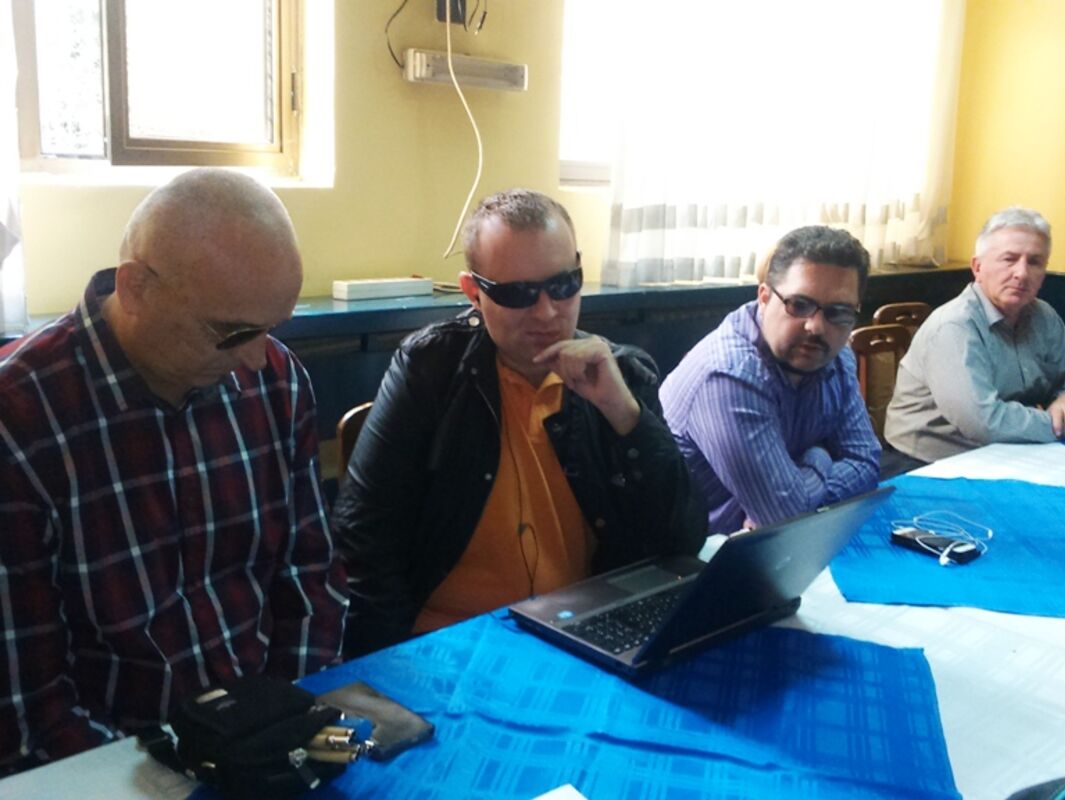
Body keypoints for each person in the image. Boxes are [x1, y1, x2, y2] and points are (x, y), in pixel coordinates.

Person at [0, 169, 348, 772]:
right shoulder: (20, 419)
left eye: (273, 327)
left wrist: (288, 719)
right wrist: (176, 773)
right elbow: (27, 708)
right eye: (232, 332)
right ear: (136, 289)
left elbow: (310, 576)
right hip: (116, 761)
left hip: (269, 731)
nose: (256, 358)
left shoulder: (278, 381)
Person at [333, 188, 706, 655]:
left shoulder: (621, 374)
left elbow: (681, 540)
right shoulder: (431, 368)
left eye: (564, 285)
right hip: (446, 642)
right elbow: (366, 537)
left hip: (579, 637)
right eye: (517, 294)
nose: (546, 312)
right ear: (473, 293)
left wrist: (623, 413)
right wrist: (389, 666)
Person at [659, 226, 880, 535]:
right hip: (698, 553)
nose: (816, 327)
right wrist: (819, 456)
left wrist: (797, 488)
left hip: (780, 542)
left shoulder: (837, 357)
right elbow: (785, 517)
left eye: (838, 312)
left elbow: (866, 463)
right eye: (799, 305)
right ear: (764, 298)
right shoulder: (729, 375)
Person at [885, 207, 1065, 462]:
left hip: (1007, 453)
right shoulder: (953, 327)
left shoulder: (1044, 316)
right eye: (1009, 259)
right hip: (925, 463)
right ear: (977, 267)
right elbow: (983, 422)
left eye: (1034, 262)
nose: (1021, 273)